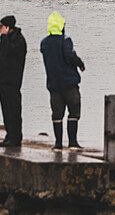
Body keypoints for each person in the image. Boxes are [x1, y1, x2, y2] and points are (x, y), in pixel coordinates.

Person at [40, 11, 86, 150]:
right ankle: (72, 143)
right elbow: (70, 57)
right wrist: (80, 63)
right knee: (74, 111)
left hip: (53, 84)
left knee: (57, 115)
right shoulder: (65, 40)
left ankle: (58, 143)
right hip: (69, 83)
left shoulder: (44, 43)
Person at [0, 15, 26, 148]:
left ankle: (15, 137)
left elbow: (9, 52)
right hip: (3, 80)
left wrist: (5, 37)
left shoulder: (18, 40)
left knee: (14, 110)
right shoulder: (5, 39)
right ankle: (9, 135)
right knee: (6, 110)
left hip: (13, 81)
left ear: (7, 27)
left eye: (1, 26)